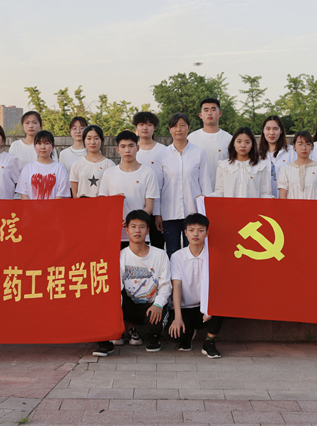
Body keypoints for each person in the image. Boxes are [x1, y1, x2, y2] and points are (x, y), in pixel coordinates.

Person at [93, 210, 171, 357]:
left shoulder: (160, 254)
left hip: (151, 305)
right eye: (133, 226)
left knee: (158, 320)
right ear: (127, 230)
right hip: (129, 306)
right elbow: (116, 287)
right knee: (106, 298)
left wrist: (158, 304)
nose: (137, 231)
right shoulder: (120, 256)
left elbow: (166, 285)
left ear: (148, 230)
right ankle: (105, 342)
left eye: (142, 227)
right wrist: (114, 312)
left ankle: (154, 337)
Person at [155, 113, 212, 257]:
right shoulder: (162, 155)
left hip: (194, 212)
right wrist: (157, 214)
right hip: (169, 213)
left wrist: (205, 212)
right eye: (174, 126)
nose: (178, 129)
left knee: (193, 252)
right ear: (170, 130)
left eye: (182, 126)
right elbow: (158, 186)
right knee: (172, 252)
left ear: (189, 128)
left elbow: (205, 184)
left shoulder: (198, 153)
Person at [168, 213, 224, 358]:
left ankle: (209, 341)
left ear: (207, 233)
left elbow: (218, 287)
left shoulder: (214, 255)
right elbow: (176, 287)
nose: (195, 234)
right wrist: (178, 318)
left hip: (204, 309)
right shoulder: (177, 257)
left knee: (221, 307)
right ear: (185, 232)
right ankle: (188, 333)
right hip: (185, 308)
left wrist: (210, 308)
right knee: (175, 336)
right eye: (191, 230)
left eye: (200, 230)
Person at [99, 131, 159, 247]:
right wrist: (114, 200)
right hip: (115, 232)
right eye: (123, 146)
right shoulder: (109, 173)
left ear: (137, 148)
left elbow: (149, 207)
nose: (127, 150)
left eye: (131, 146)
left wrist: (133, 220)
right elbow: (103, 203)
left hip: (139, 232)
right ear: (117, 149)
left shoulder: (148, 173)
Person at [209, 127, 274, 198]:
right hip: (230, 205)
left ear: (252, 144)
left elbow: (265, 194)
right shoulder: (224, 167)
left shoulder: (261, 167)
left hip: (252, 205)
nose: (243, 145)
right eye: (239, 141)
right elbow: (219, 193)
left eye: (247, 142)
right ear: (233, 143)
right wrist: (205, 198)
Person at [134, 111, 166, 249]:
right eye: (141, 124)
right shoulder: (132, 150)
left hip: (158, 207)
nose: (145, 128)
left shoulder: (163, 150)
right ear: (136, 127)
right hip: (137, 206)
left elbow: (165, 183)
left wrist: (158, 213)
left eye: (149, 124)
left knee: (158, 246)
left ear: (154, 127)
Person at [188, 98, 232, 188]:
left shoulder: (229, 139)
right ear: (200, 115)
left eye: (213, 109)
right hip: (197, 191)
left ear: (220, 114)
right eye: (206, 110)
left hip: (222, 190)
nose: (209, 113)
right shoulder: (191, 138)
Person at [17, 130, 70, 200]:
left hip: (55, 207)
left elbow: (61, 195)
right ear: (35, 146)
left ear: (53, 147)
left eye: (47, 143)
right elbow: (24, 194)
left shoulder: (60, 168)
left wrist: (51, 207)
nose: (43, 147)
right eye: (39, 143)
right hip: (30, 207)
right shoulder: (27, 168)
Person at [278, 131, 317, 200]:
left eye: (308, 144)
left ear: (312, 146)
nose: (304, 148)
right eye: (300, 144)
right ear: (294, 146)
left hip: (314, 206)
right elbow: (282, 197)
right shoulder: (286, 169)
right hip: (292, 206)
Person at [69, 125, 115, 198]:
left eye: (96, 138)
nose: (92, 142)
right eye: (89, 138)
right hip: (82, 204)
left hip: (102, 204)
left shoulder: (110, 165)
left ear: (102, 140)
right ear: (84, 140)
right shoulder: (76, 165)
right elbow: (75, 194)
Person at [258, 115, 296, 198]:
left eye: (275, 129)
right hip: (263, 200)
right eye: (268, 129)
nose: (271, 133)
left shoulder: (291, 151)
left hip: (286, 200)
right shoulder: (256, 153)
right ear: (263, 130)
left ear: (281, 130)